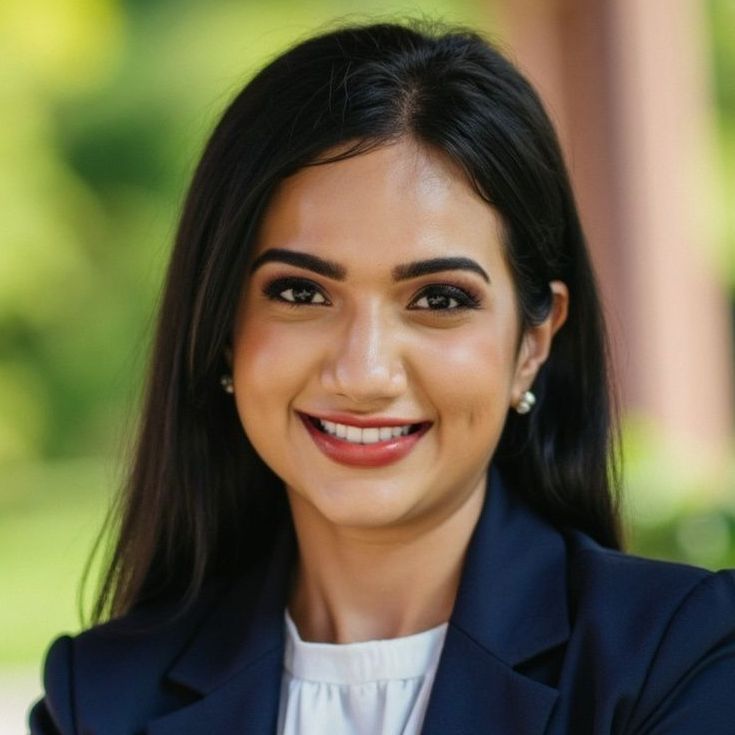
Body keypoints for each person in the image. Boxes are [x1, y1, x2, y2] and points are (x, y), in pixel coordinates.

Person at [29, 20, 735, 735]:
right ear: (221, 329)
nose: (363, 372)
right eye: (301, 293)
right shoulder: (100, 698)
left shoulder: (680, 661)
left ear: (531, 340)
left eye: (439, 299)